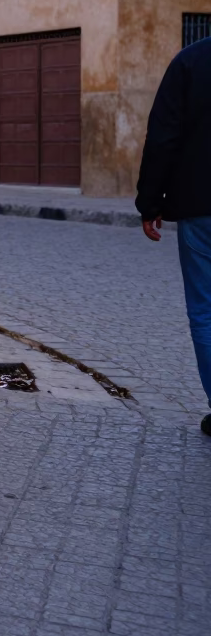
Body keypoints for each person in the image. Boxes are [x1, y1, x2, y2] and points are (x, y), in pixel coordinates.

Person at [136, 35, 211, 437]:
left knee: (205, 312)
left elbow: (163, 137)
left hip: (202, 209)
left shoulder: (189, 63)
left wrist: (150, 203)